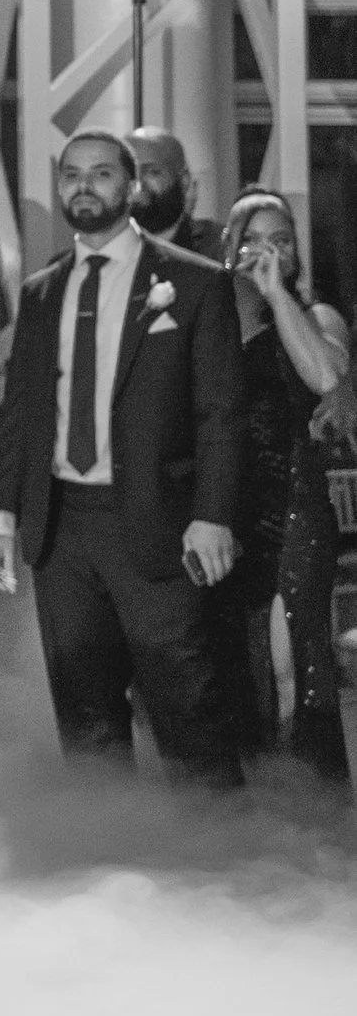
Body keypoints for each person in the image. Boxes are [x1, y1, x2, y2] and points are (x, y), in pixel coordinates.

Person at [0, 129, 243, 785]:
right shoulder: (42, 292)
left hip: (159, 523)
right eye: (71, 174)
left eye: (101, 174)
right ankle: (110, 855)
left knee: (186, 703)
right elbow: (21, 416)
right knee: (86, 713)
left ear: (131, 188)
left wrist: (213, 514)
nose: (83, 186)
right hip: (61, 528)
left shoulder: (195, 283)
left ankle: (221, 858)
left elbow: (221, 415)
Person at [213, 187, 351, 794]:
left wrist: (274, 294)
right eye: (255, 238)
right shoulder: (208, 317)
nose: (269, 250)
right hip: (222, 511)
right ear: (229, 248)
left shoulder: (315, 316)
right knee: (235, 661)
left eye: (282, 239)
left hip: (296, 505)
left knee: (302, 657)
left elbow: (324, 373)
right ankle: (249, 802)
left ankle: (322, 802)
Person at [124, 129, 223, 261]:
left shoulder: (219, 245)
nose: (138, 184)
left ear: (184, 180)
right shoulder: (97, 246)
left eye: (152, 172)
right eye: (129, 173)